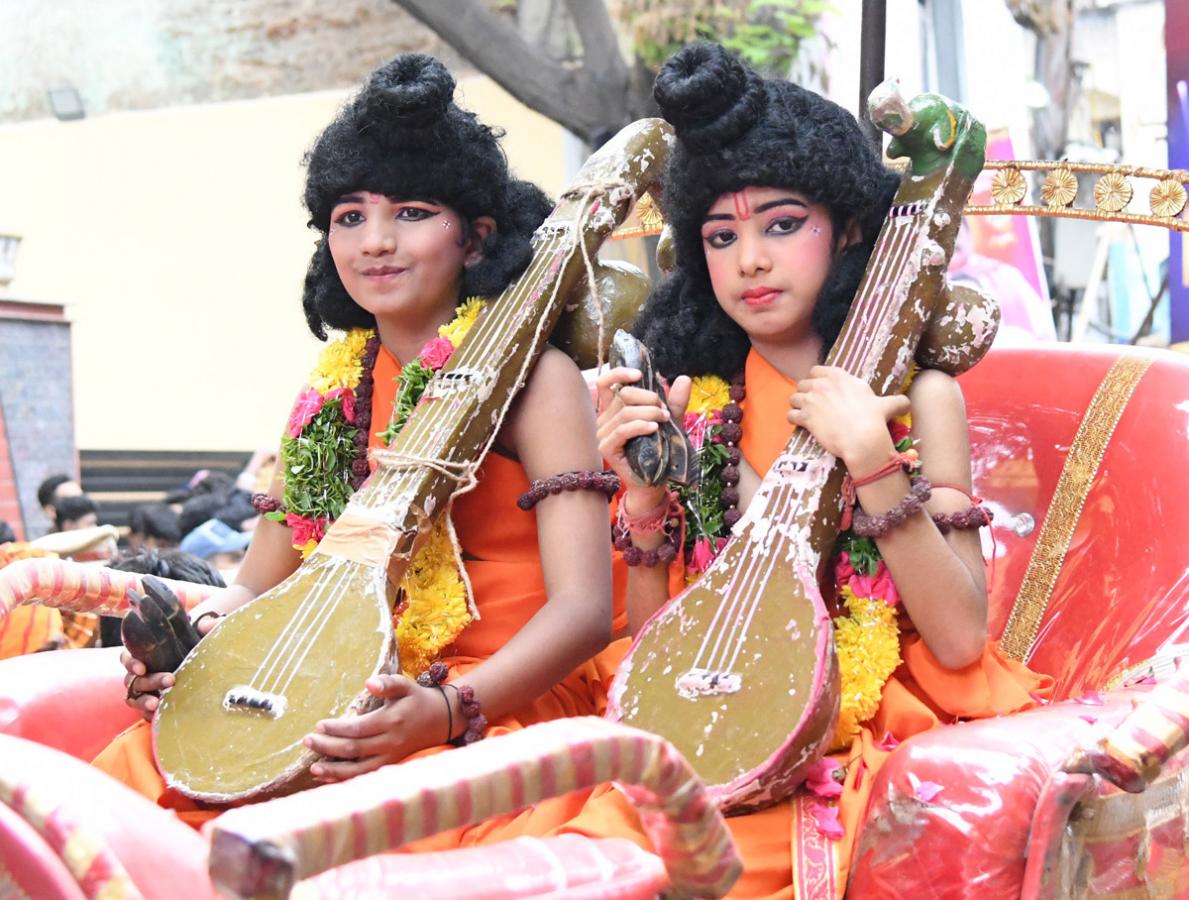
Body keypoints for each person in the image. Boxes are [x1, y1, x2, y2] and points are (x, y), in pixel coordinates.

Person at [458, 44, 1051, 897]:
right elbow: (650, 642)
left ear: (846, 225)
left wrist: (872, 462)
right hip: (701, 708)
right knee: (584, 854)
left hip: (859, 720)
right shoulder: (693, 400)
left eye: (780, 224)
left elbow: (960, 639)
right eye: (719, 236)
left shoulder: (920, 395)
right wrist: (645, 499)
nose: (750, 261)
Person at [93, 53, 620, 828]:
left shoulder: (536, 380)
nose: (374, 240)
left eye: (410, 212)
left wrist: (440, 713)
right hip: (334, 683)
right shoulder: (334, 386)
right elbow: (255, 587)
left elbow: (582, 612)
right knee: (128, 782)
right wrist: (189, 655)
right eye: (349, 215)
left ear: (476, 239)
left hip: (486, 703)